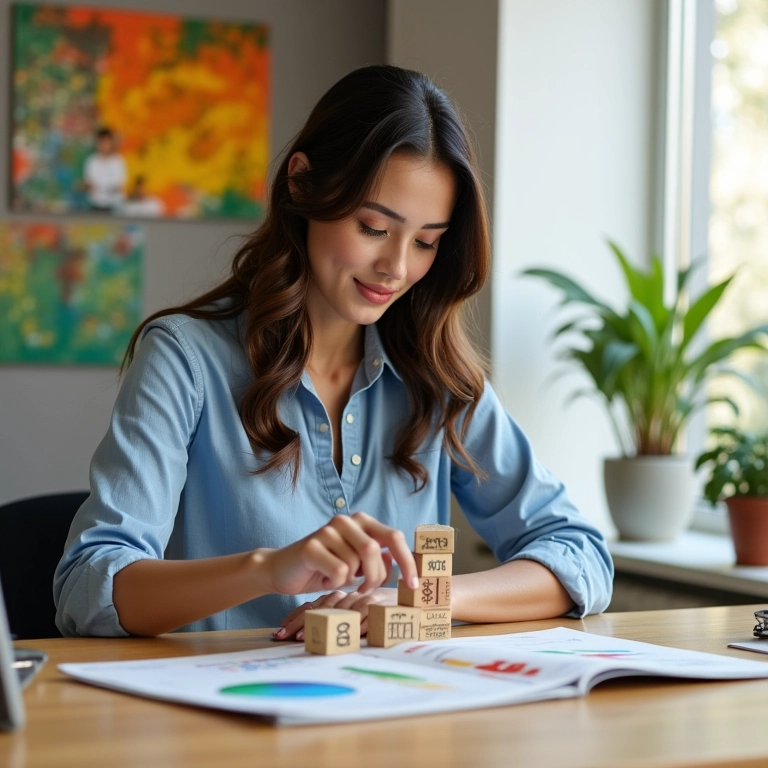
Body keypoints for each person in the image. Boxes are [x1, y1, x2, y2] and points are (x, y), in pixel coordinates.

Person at [54, 66, 613, 639]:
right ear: (302, 183)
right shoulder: (184, 359)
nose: (397, 268)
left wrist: (422, 598)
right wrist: (266, 569)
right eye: (374, 227)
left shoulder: (437, 378)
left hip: (397, 713)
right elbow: (88, 588)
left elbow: (580, 556)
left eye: (425, 242)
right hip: (226, 715)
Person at [82, 127, 128, 212]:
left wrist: (104, 189)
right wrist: (89, 186)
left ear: (111, 143)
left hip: (114, 205)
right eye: (101, 142)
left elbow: (119, 184)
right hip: (95, 204)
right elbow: (89, 182)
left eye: (106, 142)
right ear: (97, 143)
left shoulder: (118, 161)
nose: (103, 145)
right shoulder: (91, 161)